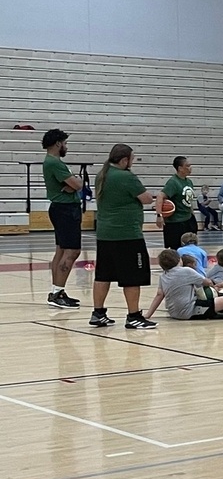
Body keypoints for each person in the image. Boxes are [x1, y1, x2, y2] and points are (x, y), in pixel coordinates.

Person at [89, 144, 157, 329]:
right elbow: (146, 198)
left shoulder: (101, 175)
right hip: (127, 234)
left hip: (105, 234)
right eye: (132, 159)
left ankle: (98, 313)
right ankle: (133, 316)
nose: (132, 162)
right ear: (124, 160)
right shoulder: (126, 177)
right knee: (132, 276)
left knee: (103, 275)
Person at [42, 128, 84, 308]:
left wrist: (74, 183)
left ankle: (56, 290)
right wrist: (76, 181)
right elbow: (77, 184)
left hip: (60, 208)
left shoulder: (51, 162)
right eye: (65, 143)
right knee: (72, 251)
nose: (66, 147)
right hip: (66, 209)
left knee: (60, 251)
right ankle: (58, 292)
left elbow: (73, 185)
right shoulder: (55, 163)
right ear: (58, 143)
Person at [145, 249, 223, 321]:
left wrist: (148, 314)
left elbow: (159, 295)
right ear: (179, 260)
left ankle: (213, 312)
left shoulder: (163, 276)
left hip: (173, 313)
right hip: (189, 311)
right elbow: (207, 282)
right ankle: (215, 314)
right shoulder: (186, 271)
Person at [154, 156, 197, 250]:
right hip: (176, 222)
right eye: (187, 165)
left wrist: (192, 213)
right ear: (180, 168)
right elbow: (160, 196)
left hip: (188, 220)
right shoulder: (173, 182)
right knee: (175, 251)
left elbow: (189, 200)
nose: (190, 168)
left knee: (191, 249)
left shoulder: (189, 182)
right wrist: (159, 215)